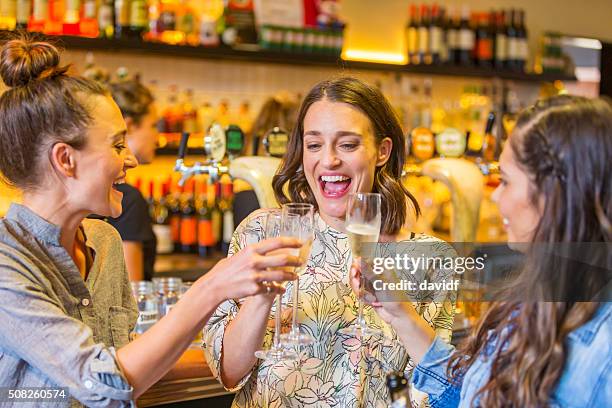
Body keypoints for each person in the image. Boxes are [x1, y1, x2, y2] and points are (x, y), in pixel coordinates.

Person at [0, 34, 301, 407]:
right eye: (117, 145)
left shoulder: (104, 241)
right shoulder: (7, 263)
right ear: (65, 159)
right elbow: (103, 385)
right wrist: (210, 289)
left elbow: (132, 362)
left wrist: (241, 345)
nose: (132, 161)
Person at [203, 77, 457, 407]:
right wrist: (264, 295)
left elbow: (438, 392)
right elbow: (228, 371)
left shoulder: (430, 259)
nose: (328, 160)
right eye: (314, 145)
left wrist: (402, 313)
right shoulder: (261, 232)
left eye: (347, 145)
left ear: (382, 151)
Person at [350, 95, 612, 407]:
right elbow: (472, 394)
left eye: (504, 181)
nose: (496, 197)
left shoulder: (602, 350)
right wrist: (401, 315)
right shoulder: (538, 298)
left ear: (553, 195)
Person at [106, 74, 158, 281]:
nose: (158, 137)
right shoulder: (126, 199)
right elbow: (133, 291)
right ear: (129, 125)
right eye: (153, 125)